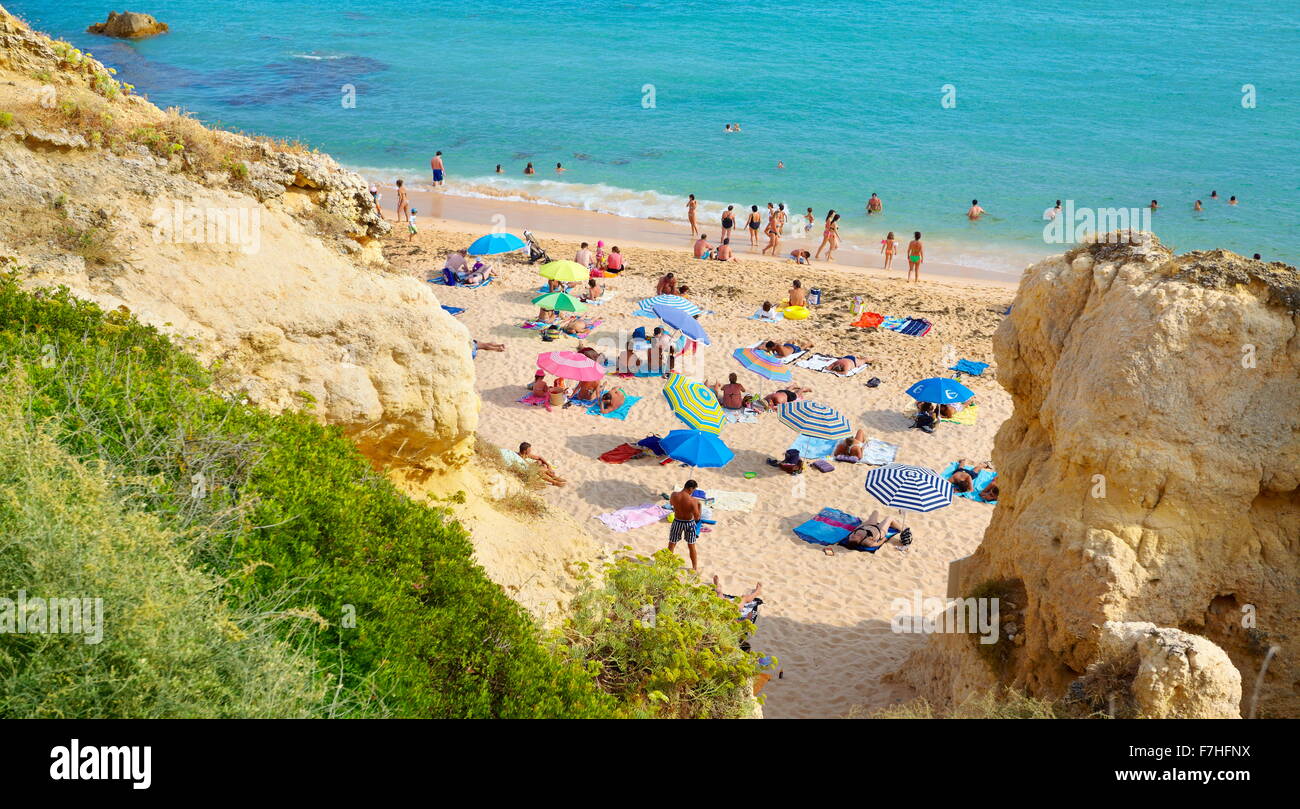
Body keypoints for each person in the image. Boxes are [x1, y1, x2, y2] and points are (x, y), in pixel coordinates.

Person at [667, 480, 703, 571]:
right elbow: (697, 517)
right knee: (691, 545)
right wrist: (699, 506)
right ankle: (694, 567)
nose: (693, 492)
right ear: (691, 488)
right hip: (688, 523)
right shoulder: (693, 500)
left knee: (672, 543)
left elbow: (671, 504)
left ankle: (666, 563)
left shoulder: (674, 495)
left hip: (677, 522)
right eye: (693, 490)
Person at [841, 511, 911, 551]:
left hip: (868, 525)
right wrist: (884, 539)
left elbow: (856, 529)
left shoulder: (852, 536)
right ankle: (903, 529)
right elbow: (877, 544)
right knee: (889, 518)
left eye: (851, 536)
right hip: (879, 530)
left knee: (875, 512)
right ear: (859, 541)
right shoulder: (866, 542)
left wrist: (863, 525)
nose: (853, 535)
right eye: (854, 538)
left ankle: (892, 524)